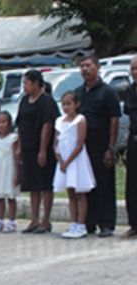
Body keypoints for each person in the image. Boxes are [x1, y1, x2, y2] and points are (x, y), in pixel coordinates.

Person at [75, 55, 121, 237]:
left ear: (97, 67)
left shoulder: (108, 92)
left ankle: (107, 223)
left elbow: (114, 120)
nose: (84, 69)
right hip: (83, 145)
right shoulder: (78, 92)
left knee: (104, 183)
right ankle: (88, 222)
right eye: (82, 66)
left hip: (101, 142)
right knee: (86, 184)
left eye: (88, 65)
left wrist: (111, 147)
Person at [16, 70, 59, 234]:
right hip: (27, 147)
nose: (24, 87)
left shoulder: (46, 101)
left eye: (26, 83)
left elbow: (47, 125)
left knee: (45, 185)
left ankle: (45, 220)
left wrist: (42, 150)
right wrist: (19, 146)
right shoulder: (25, 101)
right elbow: (20, 124)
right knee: (32, 185)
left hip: (42, 148)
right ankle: (34, 219)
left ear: (35, 83)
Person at [54, 91, 95, 239]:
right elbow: (56, 142)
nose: (66, 107)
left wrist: (68, 161)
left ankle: (81, 224)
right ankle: (73, 222)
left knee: (80, 192)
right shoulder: (59, 121)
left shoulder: (80, 120)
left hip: (75, 159)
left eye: (69, 103)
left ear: (76, 104)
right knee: (70, 193)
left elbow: (79, 143)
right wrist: (60, 159)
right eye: (63, 104)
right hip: (63, 159)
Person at [124, 55, 137, 239]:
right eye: (133, 69)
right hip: (134, 140)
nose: (135, 72)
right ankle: (134, 224)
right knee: (132, 183)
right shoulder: (129, 91)